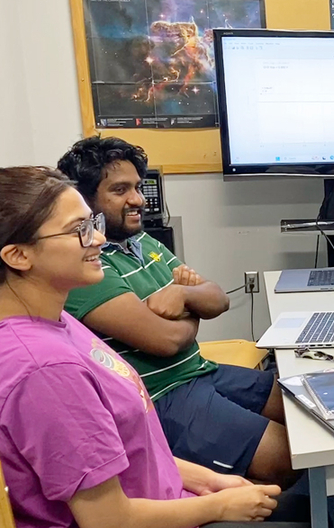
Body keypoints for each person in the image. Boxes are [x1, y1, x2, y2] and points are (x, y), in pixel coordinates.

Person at [0, 166, 290, 527]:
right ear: (18, 256)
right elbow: (109, 520)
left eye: (93, 225)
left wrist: (210, 482)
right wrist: (218, 507)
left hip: (171, 499)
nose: (99, 240)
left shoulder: (59, 322)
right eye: (80, 231)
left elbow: (136, 453)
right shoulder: (46, 370)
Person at [57, 137, 296, 486]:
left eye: (137, 187)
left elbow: (217, 298)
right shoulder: (86, 267)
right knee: (287, 458)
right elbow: (165, 341)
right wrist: (191, 308)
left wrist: (181, 294)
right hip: (163, 396)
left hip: (201, 371)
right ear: (85, 199)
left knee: (301, 408)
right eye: (120, 190)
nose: (137, 199)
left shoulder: (143, 242)